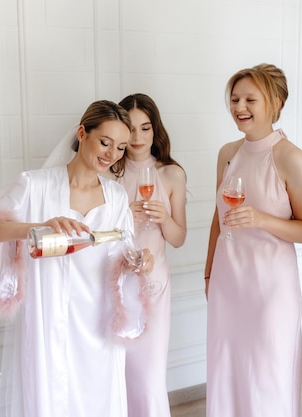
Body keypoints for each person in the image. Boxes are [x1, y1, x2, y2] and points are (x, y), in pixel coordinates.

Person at [0, 100, 154, 417]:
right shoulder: (35, 185)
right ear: (83, 133)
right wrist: (38, 226)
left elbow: (124, 250)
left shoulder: (116, 196)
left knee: (99, 395)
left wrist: (138, 261)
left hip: (98, 316)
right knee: (50, 393)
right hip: (50, 312)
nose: (111, 154)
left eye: (120, 148)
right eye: (105, 142)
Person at [204, 64, 302, 417]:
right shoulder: (227, 153)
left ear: (275, 102)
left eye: (250, 99)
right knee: (227, 371)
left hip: (271, 289)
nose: (240, 107)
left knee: (267, 375)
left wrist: (261, 219)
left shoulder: (291, 158)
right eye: (235, 98)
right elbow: (217, 219)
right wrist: (209, 275)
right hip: (228, 283)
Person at [115, 93, 187, 417]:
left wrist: (164, 219)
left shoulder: (171, 175)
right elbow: (99, 237)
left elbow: (179, 238)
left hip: (154, 286)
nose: (138, 137)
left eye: (146, 128)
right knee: (116, 373)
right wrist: (122, 216)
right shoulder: (109, 175)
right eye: (130, 129)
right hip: (115, 285)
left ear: (155, 130)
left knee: (148, 376)